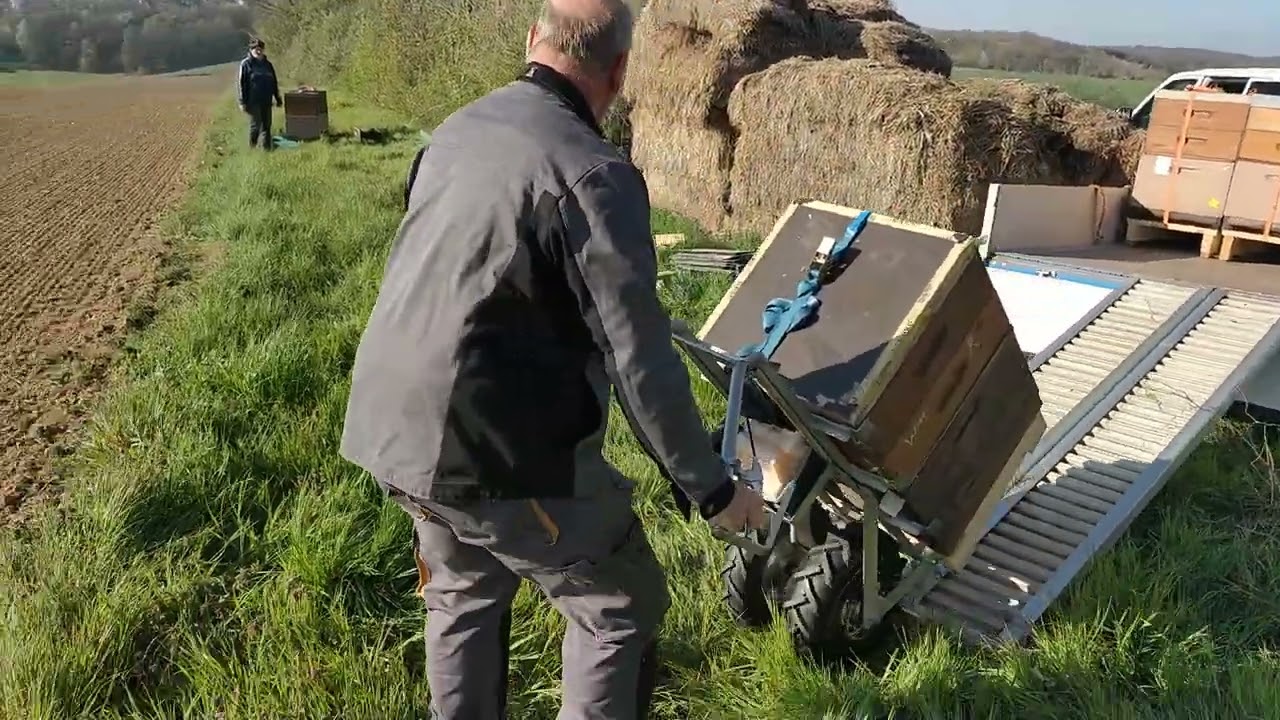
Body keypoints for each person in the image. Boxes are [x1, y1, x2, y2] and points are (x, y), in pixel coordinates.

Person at [339, 0, 767, 717]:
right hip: (481, 443)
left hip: (389, 423)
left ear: (532, 40)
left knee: (463, 593)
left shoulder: (456, 129)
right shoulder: (593, 173)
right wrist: (713, 490)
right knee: (618, 601)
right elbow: (638, 360)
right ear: (621, 70)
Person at [237, 38, 283, 151]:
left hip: (266, 100)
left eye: (260, 49)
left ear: (263, 50)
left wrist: (278, 98)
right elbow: (241, 84)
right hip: (252, 101)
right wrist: (242, 102)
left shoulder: (268, 65)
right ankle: (252, 147)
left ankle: (266, 150)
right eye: (255, 49)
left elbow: (274, 82)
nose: (258, 51)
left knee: (267, 126)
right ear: (251, 50)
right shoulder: (246, 64)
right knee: (256, 125)